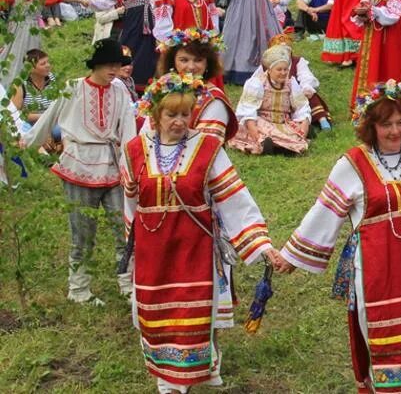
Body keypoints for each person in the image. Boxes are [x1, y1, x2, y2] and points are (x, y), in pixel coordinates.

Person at [276, 79, 401, 392]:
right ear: (370, 126)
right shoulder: (353, 163)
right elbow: (323, 212)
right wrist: (290, 256)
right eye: (386, 124)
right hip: (374, 274)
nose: (395, 131)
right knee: (383, 345)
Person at [122, 72, 281, 394]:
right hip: (153, 251)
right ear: (156, 115)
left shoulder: (207, 148)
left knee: (190, 309)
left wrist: (261, 244)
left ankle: (182, 379)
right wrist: (132, 246)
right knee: (157, 312)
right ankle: (167, 375)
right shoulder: (136, 149)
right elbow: (130, 204)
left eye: (185, 114)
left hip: (192, 248)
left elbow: (235, 200)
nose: (179, 122)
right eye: (171, 115)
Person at [21, 39, 136, 305]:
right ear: (95, 65)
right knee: (82, 230)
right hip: (79, 164)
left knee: (124, 227)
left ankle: (127, 283)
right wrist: (27, 144)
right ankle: (79, 289)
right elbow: (49, 118)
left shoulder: (120, 90)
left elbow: (129, 129)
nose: (114, 70)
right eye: (109, 64)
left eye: (118, 65)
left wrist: (131, 164)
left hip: (112, 163)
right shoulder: (72, 87)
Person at [81, 0, 160, 91]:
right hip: (130, 19)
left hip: (146, 21)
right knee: (128, 48)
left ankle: (145, 85)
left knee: (147, 50)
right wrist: (90, 1)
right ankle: (124, 84)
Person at [153, 29, 237, 141]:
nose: (191, 67)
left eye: (198, 60)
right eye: (184, 60)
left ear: (207, 63)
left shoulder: (214, 99)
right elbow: (148, 132)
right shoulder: (162, 89)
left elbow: (207, 145)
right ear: (173, 62)